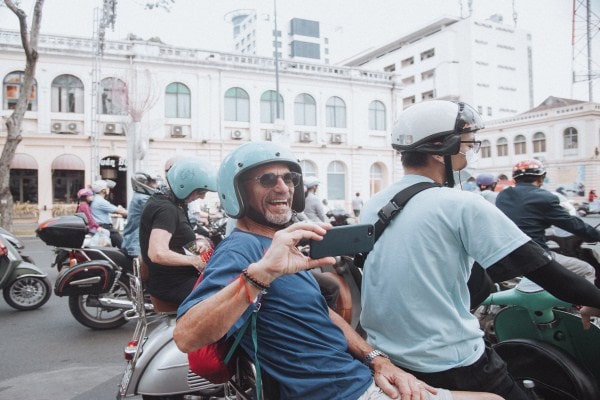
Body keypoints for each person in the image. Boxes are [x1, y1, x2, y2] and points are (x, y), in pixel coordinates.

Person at [174, 141, 504, 400]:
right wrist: (260, 274)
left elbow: (321, 313)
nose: (283, 188)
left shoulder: (279, 241)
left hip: (355, 375)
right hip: (338, 392)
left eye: (289, 178)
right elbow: (188, 336)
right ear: (239, 192)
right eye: (267, 179)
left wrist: (376, 358)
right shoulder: (242, 249)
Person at [359, 100, 600, 399]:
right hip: (453, 362)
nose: (470, 151)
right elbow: (550, 275)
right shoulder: (461, 204)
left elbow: (470, 282)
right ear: (441, 147)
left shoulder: (375, 204)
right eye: (467, 143)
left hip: (389, 360)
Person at [496, 159, 598, 285]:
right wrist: (595, 234)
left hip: (507, 256)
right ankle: (585, 304)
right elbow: (573, 224)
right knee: (587, 270)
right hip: (534, 256)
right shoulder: (544, 197)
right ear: (540, 178)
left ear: (515, 179)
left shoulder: (502, 196)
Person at [139, 157, 217, 306]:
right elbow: (157, 253)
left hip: (177, 278)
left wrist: (196, 245)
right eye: (201, 191)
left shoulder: (172, 202)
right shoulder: (166, 209)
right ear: (186, 186)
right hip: (172, 284)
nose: (202, 196)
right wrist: (195, 260)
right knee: (231, 295)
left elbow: (177, 239)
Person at [121, 172, 158, 258]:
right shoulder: (143, 199)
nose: (156, 185)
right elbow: (159, 212)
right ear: (144, 183)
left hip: (135, 242)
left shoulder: (140, 196)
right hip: (136, 244)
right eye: (153, 182)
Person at [90, 179, 128, 248]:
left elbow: (102, 213)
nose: (109, 189)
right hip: (105, 228)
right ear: (103, 190)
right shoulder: (101, 201)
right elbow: (119, 210)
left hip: (100, 227)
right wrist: (132, 213)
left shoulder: (95, 199)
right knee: (123, 245)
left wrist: (117, 215)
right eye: (107, 187)